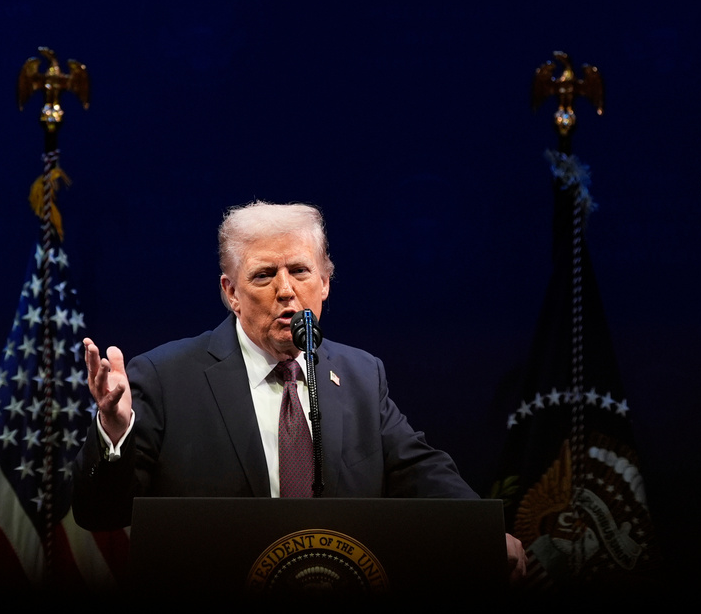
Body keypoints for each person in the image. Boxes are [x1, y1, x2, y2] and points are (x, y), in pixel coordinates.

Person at [72, 200, 526, 584]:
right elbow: (99, 513)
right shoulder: (165, 376)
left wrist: (481, 532)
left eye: (300, 271)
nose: (286, 291)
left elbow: (422, 472)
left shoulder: (361, 375)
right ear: (231, 292)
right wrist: (114, 434)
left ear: (325, 282)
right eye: (264, 275)